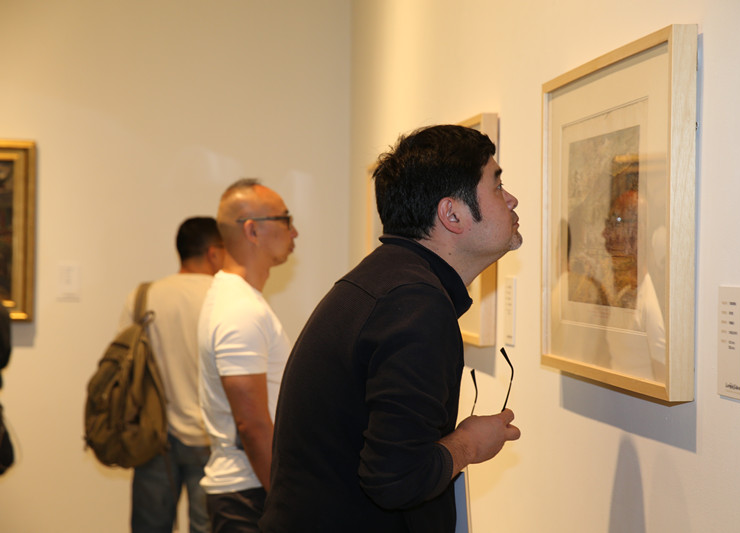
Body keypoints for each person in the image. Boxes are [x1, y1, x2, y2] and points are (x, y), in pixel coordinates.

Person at [262, 125, 522, 532]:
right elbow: (396, 479)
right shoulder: (416, 304)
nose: (511, 199)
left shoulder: (388, 281)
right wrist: (470, 443)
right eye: (497, 185)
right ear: (452, 214)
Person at [198, 179, 298, 533]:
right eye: (285, 219)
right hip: (249, 495)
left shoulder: (238, 299)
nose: (294, 231)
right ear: (252, 230)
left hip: (248, 491)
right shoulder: (240, 309)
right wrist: (285, 504)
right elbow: (252, 425)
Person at [120, 216, 225, 533]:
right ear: (214, 252)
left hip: (154, 436)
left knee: (149, 527)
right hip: (211, 437)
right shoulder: (224, 297)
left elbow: (125, 367)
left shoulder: (143, 296)